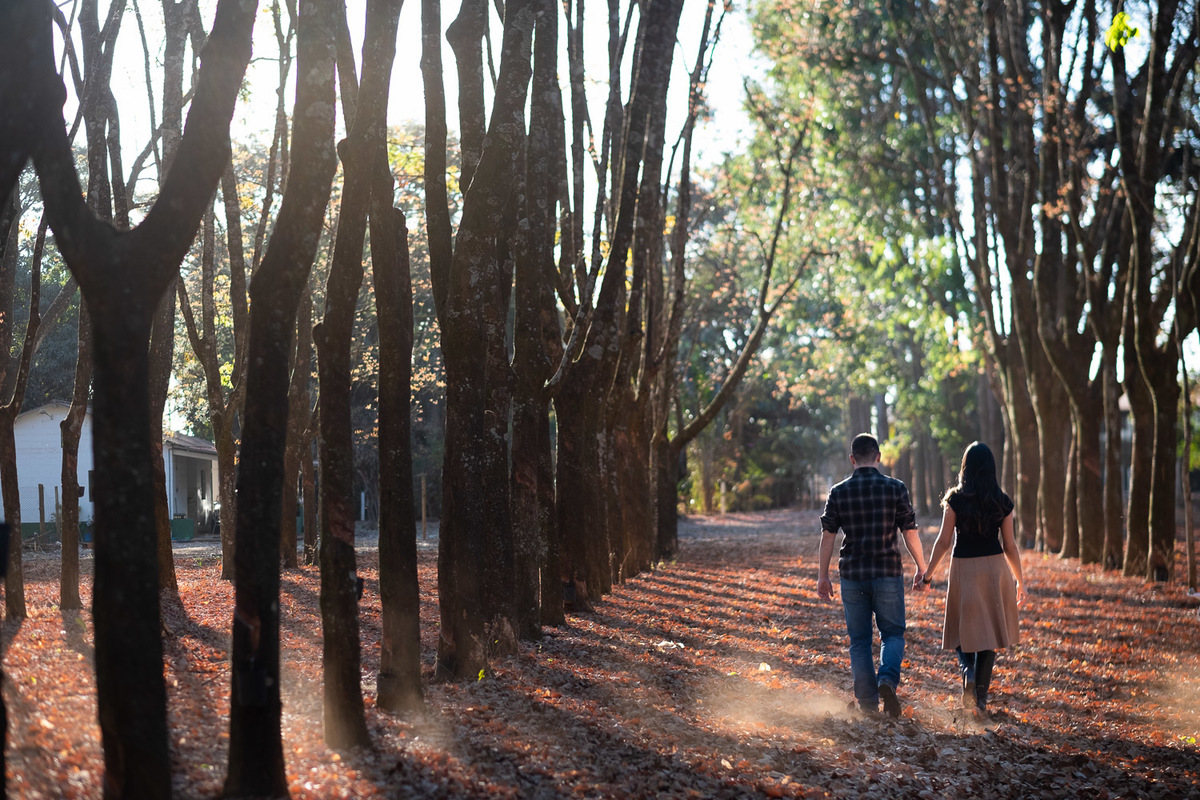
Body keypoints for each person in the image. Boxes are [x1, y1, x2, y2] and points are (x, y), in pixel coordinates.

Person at [817, 433, 927, 718]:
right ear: (878, 457)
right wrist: (921, 566)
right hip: (887, 573)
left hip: (853, 575)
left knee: (859, 640)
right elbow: (909, 531)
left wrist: (822, 575)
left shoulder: (838, 492)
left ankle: (867, 704)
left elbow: (828, 535)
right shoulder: (895, 488)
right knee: (893, 634)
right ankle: (887, 680)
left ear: (852, 459)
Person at [921, 441, 1024, 718]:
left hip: (963, 567)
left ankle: (967, 670)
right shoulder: (1002, 501)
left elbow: (943, 542)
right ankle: (980, 699)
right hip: (994, 568)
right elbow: (1010, 545)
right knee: (990, 633)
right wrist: (1020, 581)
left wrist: (928, 575)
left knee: (960, 627)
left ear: (965, 467)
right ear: (991, 468)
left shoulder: (955, 499)